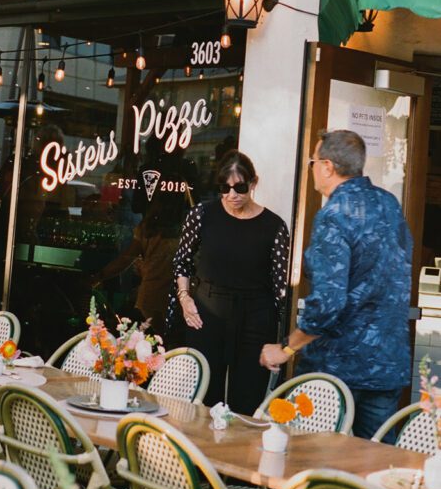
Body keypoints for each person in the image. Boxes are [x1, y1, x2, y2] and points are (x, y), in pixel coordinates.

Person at [260, 129, 412, 441]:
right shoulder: (389, 204)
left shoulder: (334, 215)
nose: (312, 168)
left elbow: (328, 304)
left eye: (313, 162)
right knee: (376, 467)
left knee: (313, 463)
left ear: (328, 166)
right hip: (386, 363)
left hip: (338, 368)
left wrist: (287, 348)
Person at [170, 150, 289, 413]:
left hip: (256, 315)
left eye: (240, 187)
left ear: (254, 183)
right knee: (201, 393)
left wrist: (281, 341)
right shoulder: (202, 214)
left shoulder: (275, 226)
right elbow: (182, 261)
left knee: (248, 398)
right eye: (224, 187)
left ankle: (239, 454)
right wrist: (184, 297)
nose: (232, 194)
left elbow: (281, 287)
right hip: (208, 309)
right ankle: (198, 452)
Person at [91, 197, 181, 335]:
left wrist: (98, 277)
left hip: (151, 295)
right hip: (176, 294)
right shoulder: (187, 228)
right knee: (169, 342)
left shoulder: (149, 228)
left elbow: (125, 259)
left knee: (149, 341)